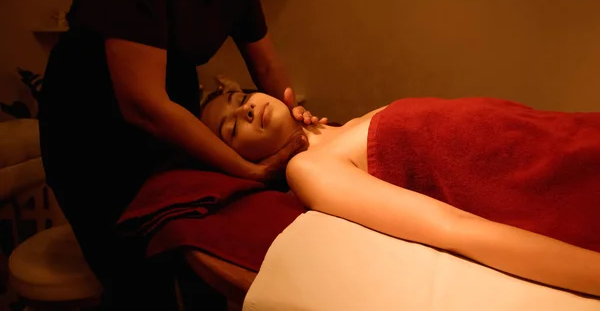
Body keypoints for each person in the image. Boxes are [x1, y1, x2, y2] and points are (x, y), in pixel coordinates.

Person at [37, 0, 325, 309]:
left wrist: (296, 127)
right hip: (92, 137)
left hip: (177, 122)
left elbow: (266, 64)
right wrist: (251, 171)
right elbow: (144, 106)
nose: (246, 109)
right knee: (138, 285)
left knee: (199, 267)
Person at [200, 80, 600, 297]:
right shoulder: (307, 170)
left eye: (241, 97)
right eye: (232, 127)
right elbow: (451, 228)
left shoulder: (344, 127)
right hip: (548, 183)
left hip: (557, 137)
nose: (246, 108)